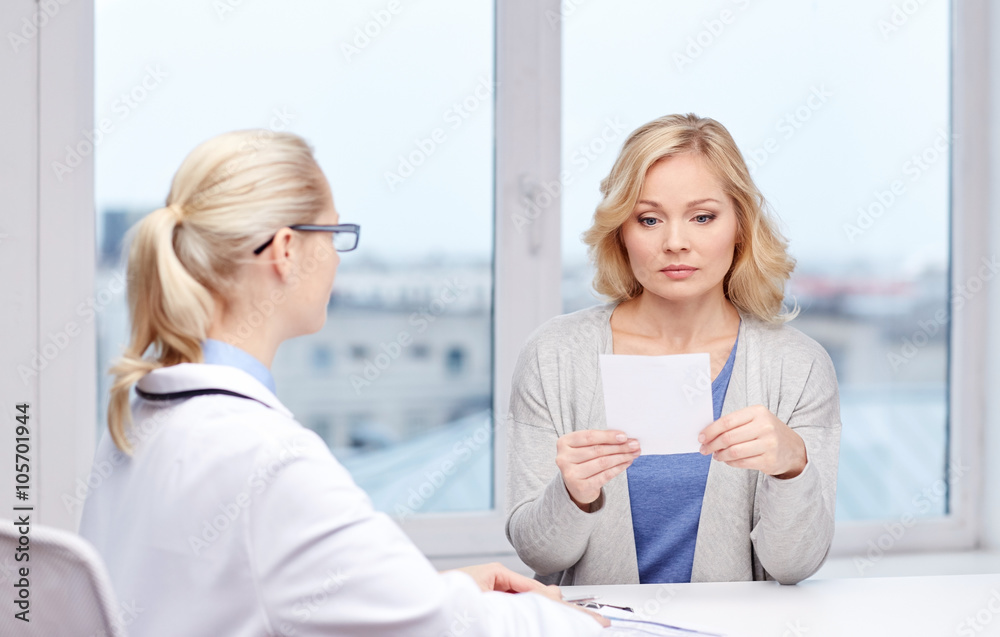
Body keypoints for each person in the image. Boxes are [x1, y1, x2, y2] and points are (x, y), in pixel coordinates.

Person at [79, 130, 606, 636]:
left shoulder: (139, 421)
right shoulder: (265, 457)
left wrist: (429, 591)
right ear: (286, 250)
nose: (335, 258)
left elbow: (256, 593)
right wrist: (572, 620)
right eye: (333, 235)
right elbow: (435, 629)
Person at [504, 114, 842, 587]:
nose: (675, 243)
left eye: (703, 217)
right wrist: (573, 495)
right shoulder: (554, 356)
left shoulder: (798, 366)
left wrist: (793, 466)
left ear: (740, 226)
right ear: (621, 231)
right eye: (649, 219)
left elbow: (793, 566)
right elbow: (538, 553)